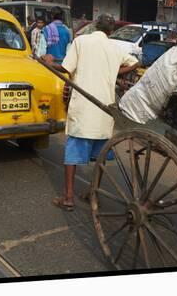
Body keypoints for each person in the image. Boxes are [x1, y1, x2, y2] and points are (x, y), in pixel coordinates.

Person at [42, 13, 140, 211]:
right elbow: (135, 63)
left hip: (84, 107)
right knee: (100, 157)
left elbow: (65, 68)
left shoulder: (82, 41)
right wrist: (114, 72)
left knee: (72, 155)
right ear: (111, 31)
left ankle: (68, 197)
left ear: (95, 26)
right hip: (105, 109)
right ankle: (92, 192)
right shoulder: (116, 48)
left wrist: (46, 62)